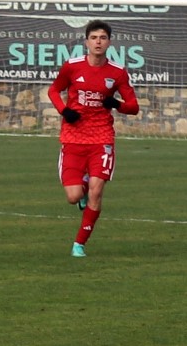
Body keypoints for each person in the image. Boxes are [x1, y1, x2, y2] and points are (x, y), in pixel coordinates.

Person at [48, 20, 139, 258]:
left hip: (102, 138)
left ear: (109, 42)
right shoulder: (72, 66)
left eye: (103, 38)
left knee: (97, 192)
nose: (98, 42)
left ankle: (79, 244)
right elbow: (54, 90)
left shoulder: (117, 72)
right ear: (86, 41)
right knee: (73, 197)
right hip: (73, 137)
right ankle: (83, 188)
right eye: (94, 37)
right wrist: (64, 110)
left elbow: (133, 107)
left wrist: (116, 104)